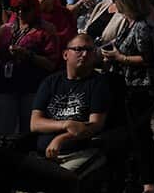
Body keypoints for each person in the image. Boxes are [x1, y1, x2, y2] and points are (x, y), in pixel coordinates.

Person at [99, 0, 154, 193]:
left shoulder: (143, 27)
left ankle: (148, 180)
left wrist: (120, 57)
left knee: (141, 134)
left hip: (141, 87)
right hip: (124, 85)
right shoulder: (128, 23)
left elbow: (147, 58)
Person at [0, 0, 59, 144]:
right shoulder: (5, 30)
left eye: (25, 9)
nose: (20, 13)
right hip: (4, 88)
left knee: (29, 135)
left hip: (33, 89)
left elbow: (51, 64)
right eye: (15, 9)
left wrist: (28, 55)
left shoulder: (46, 30)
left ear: (34, 8)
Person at [27, 34, 108, 165]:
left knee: (59, 176)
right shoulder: (50, 82)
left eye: (89, 50)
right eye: (78, 49)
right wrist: (66, 124)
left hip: (78, 152)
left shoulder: (98, 83)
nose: (85, 54)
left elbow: (95, 125)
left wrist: (61, 139)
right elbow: (35, 124)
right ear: (65, 54)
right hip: (42, 153)